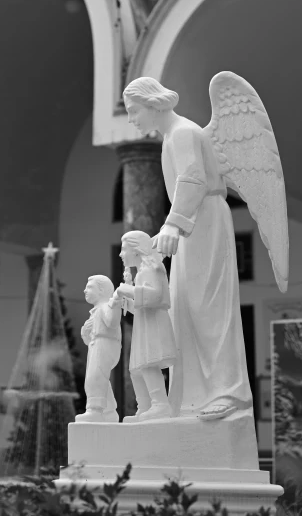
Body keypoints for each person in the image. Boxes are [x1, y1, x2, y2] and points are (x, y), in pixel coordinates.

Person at [123, 77, 253, 421]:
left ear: (153, 104)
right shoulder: (172, 137)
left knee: (208, 307)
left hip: (203, 218)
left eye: (134, 111)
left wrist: (172, 223)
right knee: (186, 308)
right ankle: (192, 394)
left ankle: (228, 390)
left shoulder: (182, 133)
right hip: (194, 222)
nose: (132, 119)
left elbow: (192, 180)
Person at [113, 230, 176, 422]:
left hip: (154, 324)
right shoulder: (142, 271)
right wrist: (128, 302)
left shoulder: (151, 269)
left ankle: (160, 404)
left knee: (148, 364)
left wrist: (128, 290)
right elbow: (142, 304)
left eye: (124, 249)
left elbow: (155, 296)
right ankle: (145, 406)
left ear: (136, 250)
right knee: (136, 369)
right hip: (145, 323)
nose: (121, 254)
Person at [77, 275, 121, 423]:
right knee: (99, 377)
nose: (85, 290)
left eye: (90, 287)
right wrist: (86, 332)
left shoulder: (105, 307)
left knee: (95, 377)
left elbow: (112, 323)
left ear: (102, 290)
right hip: (97, 344)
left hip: (104, 344)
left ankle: (95, 410)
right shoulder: (97, 311)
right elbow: (88, 337)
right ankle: (109, 411)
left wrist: (115, 303)